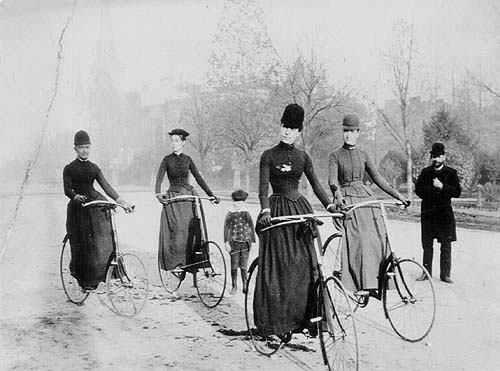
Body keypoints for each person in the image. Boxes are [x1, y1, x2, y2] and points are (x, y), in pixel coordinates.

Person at [255, 103, 335, 338]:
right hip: (277, 212)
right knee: (281, 268)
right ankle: (279, 323)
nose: (286, 131)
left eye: (291, 128)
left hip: (299, 211)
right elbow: (262, 190)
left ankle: (305, 320)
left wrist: (330, 206)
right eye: (284, 126)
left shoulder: (303, 157)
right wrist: (265, 210)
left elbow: (317, 185)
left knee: (305, 267)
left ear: (299, 131)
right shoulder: (268, 156)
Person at [328, 114, 410, 294]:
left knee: (380, 233)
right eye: (345, 131)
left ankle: (377, 281)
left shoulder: (363, 154)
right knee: (361, 237)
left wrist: (398, 195)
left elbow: (378, 178)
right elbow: (333, 180)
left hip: (366, 197)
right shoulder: (335, 156)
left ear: (358, 133)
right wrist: (337, 193)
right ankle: (359, 283)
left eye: (352, 131)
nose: (348, 135)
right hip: (348, 199)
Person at [63, 130, 134, 291]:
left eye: (87, 147)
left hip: (93, 203)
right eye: (81, 147)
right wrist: (75, 196)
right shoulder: (69, 168)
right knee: (82, 243)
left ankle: (106, 272)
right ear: (75, 149)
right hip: (78, 209)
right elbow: (67, 189)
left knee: (105, 236)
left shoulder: (94, 168)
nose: (85, 150)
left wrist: (123, 202)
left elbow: (106, 187)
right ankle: (85, 279)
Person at [155, 128, 220, 292]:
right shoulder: (166, 160)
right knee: (176, 231)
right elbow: (159, 178)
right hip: (174, 198)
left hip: (188, 197)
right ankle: (176, 264)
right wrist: (158, 193)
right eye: (172, 140)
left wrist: (211, 195)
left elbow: (198, 177)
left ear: (183, 142)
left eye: (177, 140)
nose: (174, 143)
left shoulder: (188, 159)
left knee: (192, 230)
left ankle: (194, 263)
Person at [415, 142, 461, 284]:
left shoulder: (451, 173)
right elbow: (418, 191)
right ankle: (426, 272)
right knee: (427, 244)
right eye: (434, 156)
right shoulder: (425, 172)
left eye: (439, 156)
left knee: (446, 244)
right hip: (428, 213)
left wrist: (442, 187)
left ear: (444, 157)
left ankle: (445, 274)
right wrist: (431, 190)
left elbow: (457, 192)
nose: (436, 159)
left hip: (444, 214)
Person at [223, 189, 256, 295]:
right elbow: (226, 228)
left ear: (243, 202)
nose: (238, 204)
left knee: (244, 265)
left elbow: (251, 227)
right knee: (234, 265)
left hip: (245, 243)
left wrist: (252, 241)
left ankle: (245, 286)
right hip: (234, 243)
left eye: (240, 202)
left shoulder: (247, 214)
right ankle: (234, 286)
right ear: (233, 202)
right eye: (236, 202)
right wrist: (226, 242)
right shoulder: (230, 214)